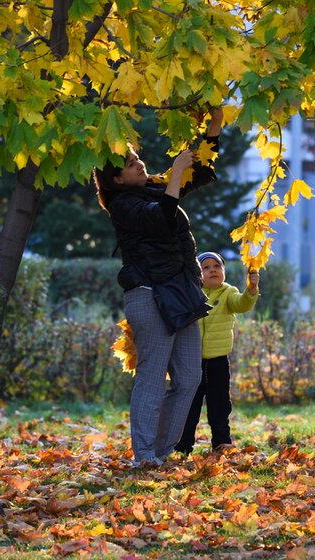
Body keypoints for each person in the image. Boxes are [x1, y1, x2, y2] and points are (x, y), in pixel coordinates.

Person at [93, 107, 225, 466]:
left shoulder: (152, 187)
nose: (139, 165)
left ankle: (162, 452)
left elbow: (197, 175)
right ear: (117, 181)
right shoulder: (122, 205)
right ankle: (144, 454)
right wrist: (175, 175)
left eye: (137, 158)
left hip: (181, 294)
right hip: (150, 297)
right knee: (152, 377)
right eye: (130, 164)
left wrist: (213, 128)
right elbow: (162, 220)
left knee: (189, 378)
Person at [174, 251, 259, 455]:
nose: (212, 270)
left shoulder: (228, 293)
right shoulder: (192, 293)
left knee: (219, 405)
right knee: (189, 407)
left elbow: (242, 304)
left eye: (217, 267)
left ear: (223, 271)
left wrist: (252, 288)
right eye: (206, 267)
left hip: (218, 362)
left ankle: (221, 444)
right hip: (192, 360)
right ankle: (182, 446)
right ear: (198, 273)